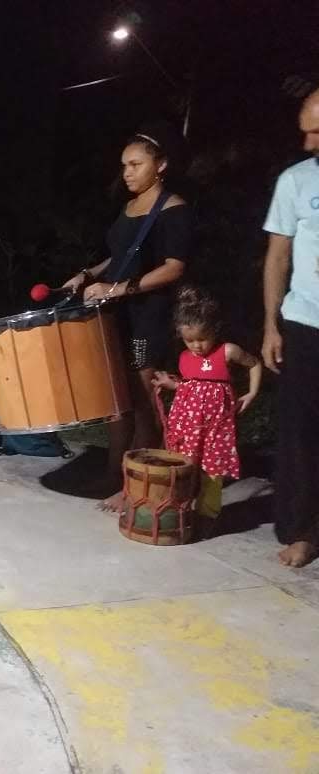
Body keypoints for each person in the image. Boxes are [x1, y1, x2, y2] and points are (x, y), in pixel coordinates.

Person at [62, 128, 192, 508]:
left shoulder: (174, 210)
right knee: (116, 397)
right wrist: (87, 275)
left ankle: (137, 484)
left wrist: (119, 288)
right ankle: (112, 473)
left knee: (142, 398)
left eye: (136, 164)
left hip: (147, 316)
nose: (127, 173)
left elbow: (174, 268)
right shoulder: (130, 206)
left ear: (161, 165)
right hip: (117, 314)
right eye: (124, 166)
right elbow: (120, 256)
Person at [260, 88, 319, 568]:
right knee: (301, 432)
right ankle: (301, 529)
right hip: (304, 322)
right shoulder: (295, 181)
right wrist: (270, 325)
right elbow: (277, 257)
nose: (307, 143)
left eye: (316, 132)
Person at [152, 287, 261, 519]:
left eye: (202, 339)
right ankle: (177, 508)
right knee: (183, 464)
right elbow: (190, 387)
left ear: (214, 330)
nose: (196, 345)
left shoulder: (227, 351)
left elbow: (254, 364)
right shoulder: (184, 357)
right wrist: (172, 384)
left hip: (215, 426)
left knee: (212, 468)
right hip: (187, 425)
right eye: (189, 340)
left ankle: (207, 514)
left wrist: (251, 393)